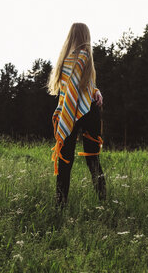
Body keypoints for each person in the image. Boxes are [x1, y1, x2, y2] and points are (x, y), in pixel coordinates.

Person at [47, 22, 106, 209]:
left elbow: (80, 86)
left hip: (67, 113)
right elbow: (76, 87)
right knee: (92, 158)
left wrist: (95, 90)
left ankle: (60, 206)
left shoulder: (63, 59)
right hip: (88, 111)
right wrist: (93, 92)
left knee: (65, 160)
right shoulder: (85, 55)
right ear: (85, 36)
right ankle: (103, 201)